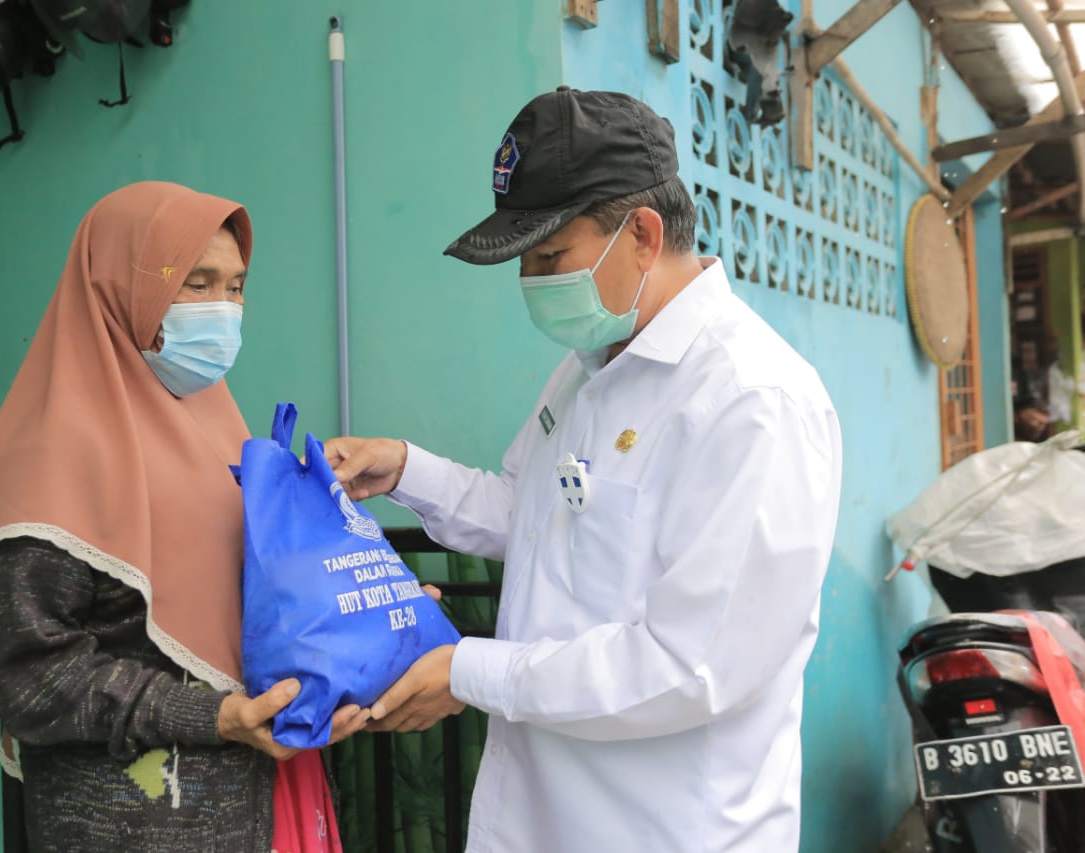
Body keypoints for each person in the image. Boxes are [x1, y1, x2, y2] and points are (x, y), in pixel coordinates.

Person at [325, 88, 843, 851]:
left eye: (549, 257)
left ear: (643, 234)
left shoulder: (752, 401)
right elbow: (535, 516)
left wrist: (470, 670)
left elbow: (688, 664)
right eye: (525, 263)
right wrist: (405, 469)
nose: (532, 281)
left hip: (663, 830)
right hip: (543, 817)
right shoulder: (590, 364)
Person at [0, 181, 365, 852]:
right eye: (196, 283)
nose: (223, 309)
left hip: (246, 808)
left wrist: (366, 613)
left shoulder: (215, 429)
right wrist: (212, 715)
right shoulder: (47, 454)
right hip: (123, 824)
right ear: (119, 288)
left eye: (235, 287)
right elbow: (32, 677)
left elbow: (250, 603)